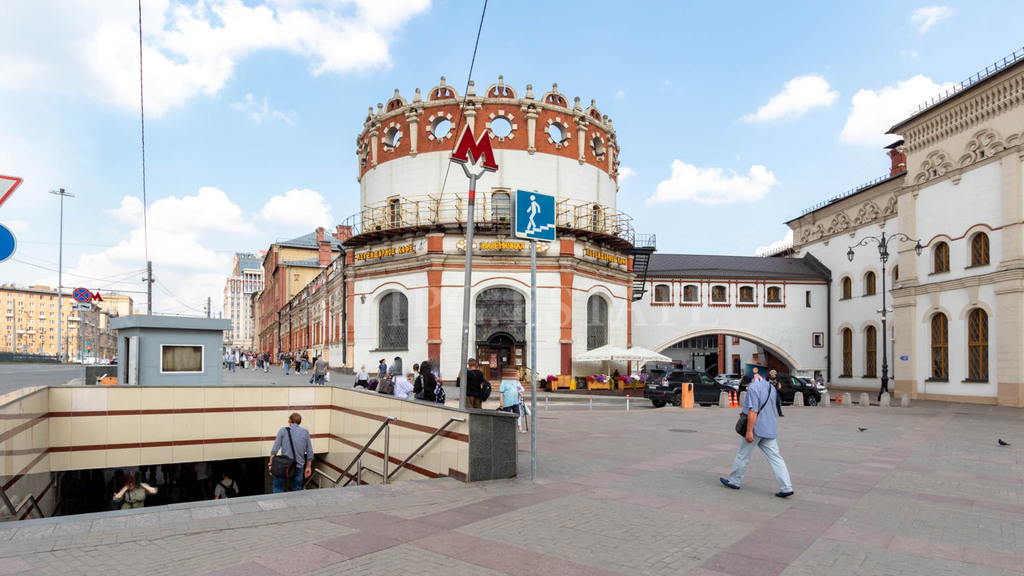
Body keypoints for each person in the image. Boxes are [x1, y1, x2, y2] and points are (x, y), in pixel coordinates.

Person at [720, 370, 794, 498]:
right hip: (769, 428)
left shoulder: (753, 388)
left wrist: (749, 431)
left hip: (756, 428)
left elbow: (753, 411)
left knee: (743, 455)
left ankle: (734, 481)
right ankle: (786, 487)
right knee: (776, 458)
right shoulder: (771, 387)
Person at [269, 412, 315, 493]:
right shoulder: (305, 432)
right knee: (297, 489)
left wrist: (271, 464)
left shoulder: (283, 431)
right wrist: (308, 467)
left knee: (277, 485)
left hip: (284, 466)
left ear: (290, 421)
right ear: (299, 422)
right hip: (299, 466)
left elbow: (274, 450)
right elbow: (310, 452)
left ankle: (280, 500)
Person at [498, 368, 526, 433]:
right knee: (507, 414)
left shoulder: (514, 382)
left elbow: (516, 389)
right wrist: (501, 402)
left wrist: (521, 394)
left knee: (517, 414)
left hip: (515, 401)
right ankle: (506, 428)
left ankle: (515, 426)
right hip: (507, 401)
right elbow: (501, 393)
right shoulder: (503, 383)